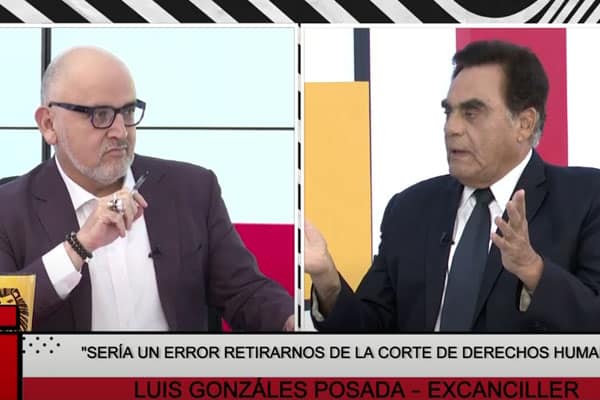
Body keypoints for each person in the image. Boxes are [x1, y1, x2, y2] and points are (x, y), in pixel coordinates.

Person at [305, 40, 600, 332]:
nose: (452, 128)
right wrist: (327, 279)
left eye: (471, 113)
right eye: (449, 112)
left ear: (524, 123)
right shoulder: (410, 207)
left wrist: (533, 269)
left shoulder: (586, 198)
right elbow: (369, 333)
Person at [0, 47, 294, 331]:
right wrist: (79, 246)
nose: (120, 132)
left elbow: (245, 292)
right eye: (100, 115)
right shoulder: (8, 210)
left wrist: (292, 323)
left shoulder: (192, 189)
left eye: (128, 112)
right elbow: (5, 318)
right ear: (49, 124)